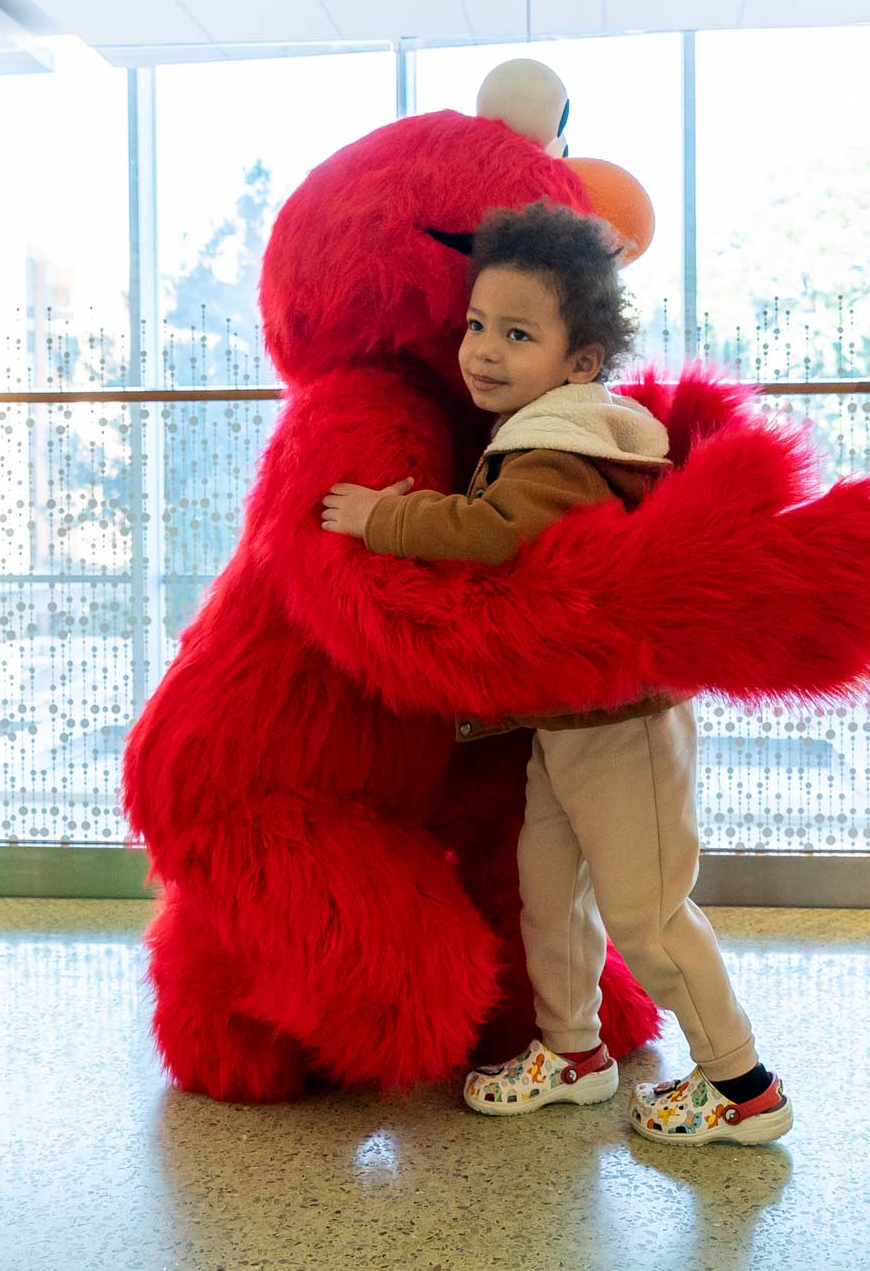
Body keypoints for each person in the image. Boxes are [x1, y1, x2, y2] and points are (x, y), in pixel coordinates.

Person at [320, 200, 791, 1146]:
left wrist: (386, 519)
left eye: (518, 334)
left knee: (648, 917)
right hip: (568, 725)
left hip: (622, 726)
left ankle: (742, 1086)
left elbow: (496, 536)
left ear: (581, 362)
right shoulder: (542, 430)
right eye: (478, 326)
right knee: (551, 894)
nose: (483, 351)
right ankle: (573, 1053)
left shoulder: (566, 446)